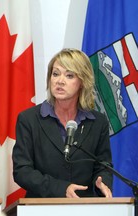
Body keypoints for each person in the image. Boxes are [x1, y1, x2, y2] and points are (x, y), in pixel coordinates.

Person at [12, 48, 113, 198]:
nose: (60, 81)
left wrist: (102, 182)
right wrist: (61, 188)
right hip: (42, 207)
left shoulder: (98, 122)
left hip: (84, 208)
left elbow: (103, 166)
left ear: (82, 82)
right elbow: (22, 171)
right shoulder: (29, 119)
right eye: (56, 74)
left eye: (69, 75)